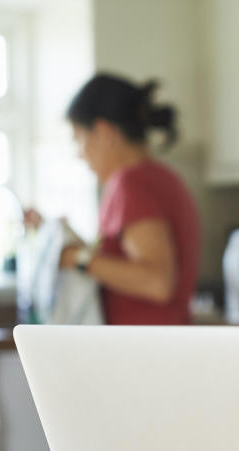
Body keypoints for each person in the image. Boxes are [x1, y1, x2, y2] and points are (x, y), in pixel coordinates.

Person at [26, 73, 201, 325]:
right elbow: (127, 262)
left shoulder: (130, 183)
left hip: (144, 352)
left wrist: (78, 258)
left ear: (104, 133)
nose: (80, 154)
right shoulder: (162, 179)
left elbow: (157, 282)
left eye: (79, 139)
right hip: (163, 347)